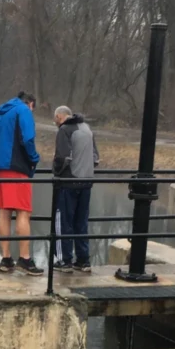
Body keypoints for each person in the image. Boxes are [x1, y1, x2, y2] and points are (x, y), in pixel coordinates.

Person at [0, 91, 43, 275]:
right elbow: (28, 138)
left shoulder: (0, 114)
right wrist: (34, 159)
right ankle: (25, 258)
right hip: (17, 167)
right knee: (23, 211)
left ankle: (5, 258)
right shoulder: (23, 110)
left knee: (4, 211)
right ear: (30, 104)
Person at [51, 106, 100, 273]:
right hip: (87, 183)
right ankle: (83, 260)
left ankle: (64, 261)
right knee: (81, 222)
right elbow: (95, 158)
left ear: (59, 116)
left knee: (64, 222)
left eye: (55, 118)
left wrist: (56, 172)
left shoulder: (65, 130)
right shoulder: (87, 128)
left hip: (68, 183)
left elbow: (62, 157)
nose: (55, 122)